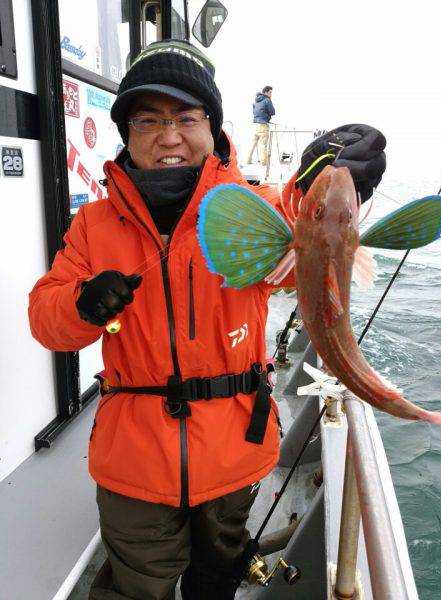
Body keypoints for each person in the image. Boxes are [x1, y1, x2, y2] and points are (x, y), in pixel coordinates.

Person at [28, 39, 386, 600]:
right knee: (135, 586)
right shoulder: (94, 225)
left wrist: (341, 173)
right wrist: (81, 302)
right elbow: (47, 323)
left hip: (234, 449)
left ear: (212, 127)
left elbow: (309, 228)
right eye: (149, 120)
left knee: (218, 574)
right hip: (134, 462)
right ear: (127, 133)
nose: (169, 136)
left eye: (186, 117)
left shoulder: (257, 206)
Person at [247, 85, 275, 167]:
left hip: (256, 125)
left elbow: (255, 112)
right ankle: (264, 163)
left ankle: (248, 160)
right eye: (270, 92)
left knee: (253, 143)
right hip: (263, 125)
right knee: (264, 144)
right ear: (265, 92)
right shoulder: (267, 100)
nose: (271, 94)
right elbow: (273, 112)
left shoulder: (256, 101)